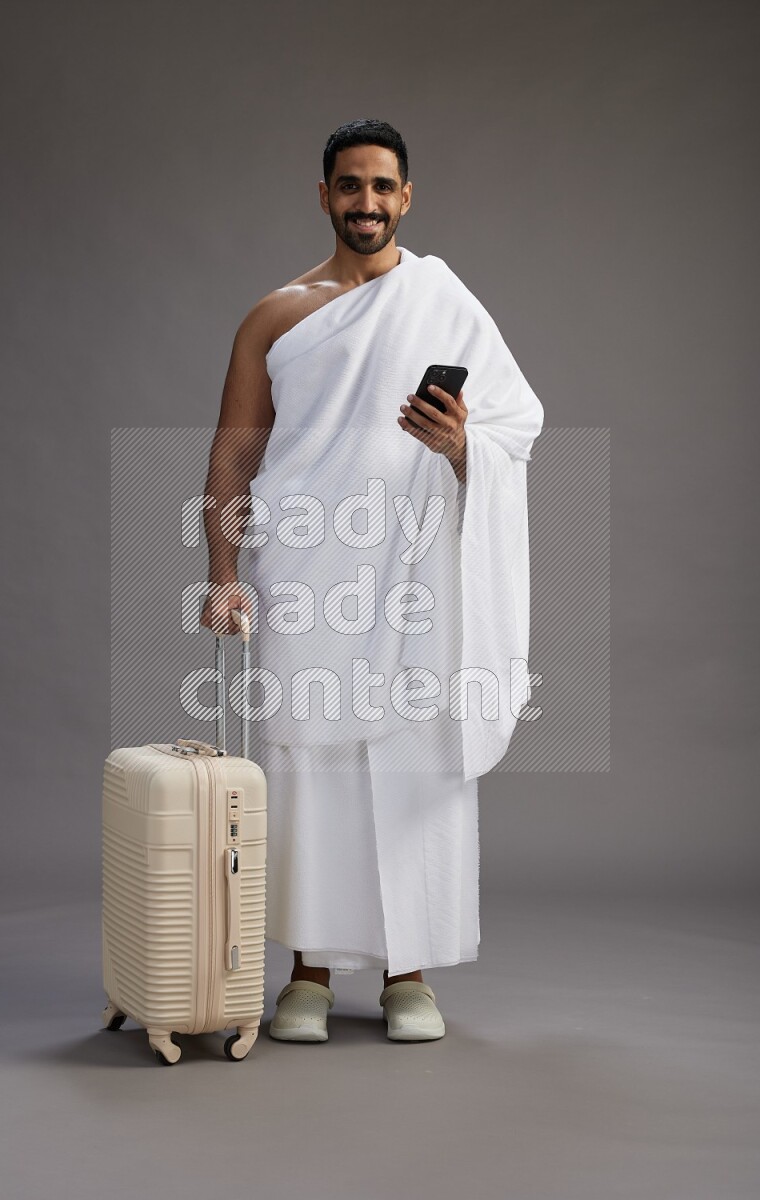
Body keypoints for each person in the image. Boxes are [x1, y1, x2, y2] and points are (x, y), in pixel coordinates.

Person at [200, 119, 543, 1042]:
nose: (367, 203)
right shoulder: (276, 315)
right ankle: (306, 973)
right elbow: (234, 459)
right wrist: (224, 575)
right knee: (306, 765)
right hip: (307, 567)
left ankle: (409, 976)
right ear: (324, 196)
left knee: (412, 760)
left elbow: (516, 424)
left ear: (406, 196)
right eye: (349, 187)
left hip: (417, 567)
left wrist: (462, 445)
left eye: (383, 187)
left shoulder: (445, 302)